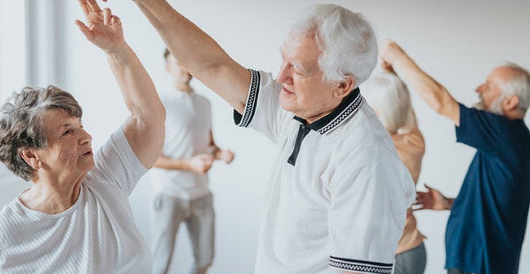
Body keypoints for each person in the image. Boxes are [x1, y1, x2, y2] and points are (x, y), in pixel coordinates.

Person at [104, 0, 416, 273]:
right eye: (284, 59)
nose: (281, 76)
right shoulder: (301, 107)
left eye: (299, 69)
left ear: (342, 85)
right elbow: (212, 66)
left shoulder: (366, 160)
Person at [0, 1, 165, 273]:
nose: (86, 136)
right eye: (67, 131)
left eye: (80, 125)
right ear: (31, 155)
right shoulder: (5, 236)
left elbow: (149, 118)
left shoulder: (105, 179)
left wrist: (116, 50)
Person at [380, 40, 530, 274]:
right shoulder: (513, 141)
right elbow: (497, 203)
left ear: (511, 102)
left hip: (478, 266)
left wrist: (398, 57)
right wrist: (450, 203)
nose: (478, 89)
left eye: (489, 86)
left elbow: (442, 103)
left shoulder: (504, 134)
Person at [150, 48, 234, 274]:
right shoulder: (159, 103)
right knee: (160, 264)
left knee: (204, 260)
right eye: (177, 63)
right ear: (168, 68)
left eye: (186, 61)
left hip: (201, 194)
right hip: (170, 193)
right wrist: (189, 165)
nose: (184, 67)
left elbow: (210, 144)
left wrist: (221, 154)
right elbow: (151, 158)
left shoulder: (204, 103)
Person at [362, 72, 427, 274]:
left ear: (377, 111)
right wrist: (392, 76)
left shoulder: (374, 153)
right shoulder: (414, 142)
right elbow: (404, 108)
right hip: (410, 249)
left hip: (396, 255)